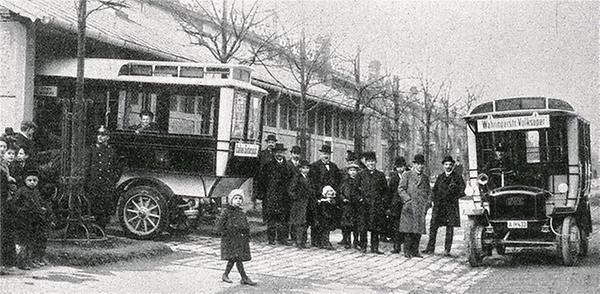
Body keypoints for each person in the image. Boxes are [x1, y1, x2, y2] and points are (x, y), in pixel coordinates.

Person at [424, 155, 465, 256]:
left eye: (450, 165)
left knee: (449, 228)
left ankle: (447, 250)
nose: (448, 166)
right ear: (443, 166)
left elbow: (462, 191)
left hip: (450, 206)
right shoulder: (440, 177)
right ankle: (430, 248)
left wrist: (455, 192)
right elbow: (435, 190)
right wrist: (432, 200)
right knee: (433, 226)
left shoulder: (457, 177)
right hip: (439, 206)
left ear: (453, 166)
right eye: (446, 164)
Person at [12, 170, 53, 270]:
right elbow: (14, 205)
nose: (32, 182)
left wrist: (42, 209)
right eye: (29, 180)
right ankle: (21, 262)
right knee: (23, 241)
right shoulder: (21, 191)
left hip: (34, 220)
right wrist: (21, 212)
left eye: (34, 180)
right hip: (23, 220)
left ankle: (29, 260)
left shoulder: (36, 192)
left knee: (31, 240)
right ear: (25, 181)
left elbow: (38, 204)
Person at [217, 189, 256, 286]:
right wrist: (226, 233)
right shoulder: (226, 212)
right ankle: (244, 277)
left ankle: (226, 274)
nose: (238, 200)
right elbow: (220, 226)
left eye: (240, 198)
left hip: (240, 239)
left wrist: (247, 235)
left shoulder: (241, 213)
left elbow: (245, 225)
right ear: (231, 200)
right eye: (235, 198)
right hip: (230, 239)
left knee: (235, 258)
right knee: (236, 258)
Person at [85, 126, 121, 230]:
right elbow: (87, 166)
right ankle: (94, 228)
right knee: (94, 206)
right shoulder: (92, 149)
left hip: (107, 184)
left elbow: (117, 167)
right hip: (95, 183)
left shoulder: (111, 151)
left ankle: (101, 229)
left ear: (108, 137)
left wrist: (113, 180)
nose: (100, 137)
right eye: (99, 134)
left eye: (103, 135)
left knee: (105, 207)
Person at [257, 143, 293, 245]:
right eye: (277, 152)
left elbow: (292, 181)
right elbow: (262, 181)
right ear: (274, 153)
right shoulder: (268, 165)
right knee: (272, 218)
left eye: (281, 152)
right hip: (271, 196)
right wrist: (262, 195)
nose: (279, 154)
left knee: (284, 218)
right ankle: (271, 239)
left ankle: (283, 239)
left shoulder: (288, 166)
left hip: (285, 196)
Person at [398, 154, 433, 258]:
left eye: (422, 164)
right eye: (418, 164)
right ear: (414, 164)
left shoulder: (425, 178)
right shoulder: (407, 175)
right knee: (408, 230)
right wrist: (407, 200)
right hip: (409, 206)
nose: (420, 166)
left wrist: (428, 203)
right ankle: (407, 251)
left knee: (418, 230)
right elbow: (401, 189)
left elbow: (429, 192)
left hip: (420, 207)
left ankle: (415, 251)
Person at [356, 151, 388, 254]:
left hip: (376, 205)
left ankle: (375, 247)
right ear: (366, 162)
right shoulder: (361, 174)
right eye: (369, 161)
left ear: (376, 162)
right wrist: (360, 198)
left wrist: (382, 201)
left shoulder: (380, 175)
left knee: (375, 227)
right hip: (364, 205)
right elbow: (355, 190)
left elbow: (385, 191)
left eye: (373, 161)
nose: (371, 163)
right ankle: (363, 246)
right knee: (363, 227)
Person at [308, 144, 341, 247]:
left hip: (330, 198)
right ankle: (315, 241)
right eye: (324, 153)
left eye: (327, 154)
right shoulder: (314, 166)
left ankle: (325, 240)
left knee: (327, 220)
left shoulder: (333, 166)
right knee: (317, 219)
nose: (326, 156)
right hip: (319, 197)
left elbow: (337, 181)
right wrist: (320, 194)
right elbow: (313, 182)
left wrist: (332, 193)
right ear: (320, 154)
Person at [287, 160, 315, 249]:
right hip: (299, 204)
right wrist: (296, 198)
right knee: (299, 223)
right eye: (303, 168)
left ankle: (303, 241)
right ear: (300, 169)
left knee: (305, 223)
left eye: (307, 168)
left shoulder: (309, 178)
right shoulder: (297, 178)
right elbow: (291, 190)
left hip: (308, 204)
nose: (305, 170)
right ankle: (298, 241)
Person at [338, 161, 361, 249]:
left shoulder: (359, 181)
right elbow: (340, 192)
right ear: (348, 171)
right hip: (347, 205)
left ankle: (356, 241)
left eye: (354, 170)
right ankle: (347, 241)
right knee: (346, 225)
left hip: (356, 205)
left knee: (356, 225)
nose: (353, 172)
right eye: (351, 170)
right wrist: (343, 198)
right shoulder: (345, 181)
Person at [387, 156, 407, 254]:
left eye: (402, 167)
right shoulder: (393, 178)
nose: (400, 169)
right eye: (398, 167)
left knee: (406, 225)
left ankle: (407, 246)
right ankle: (396, 246)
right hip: (395, 205)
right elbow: (390, 192)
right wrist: (389, 205)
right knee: (396, 226)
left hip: (405, 204)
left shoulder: (408, 176)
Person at [253, 134, 277, 208]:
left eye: (272, 143)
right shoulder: (262, 154)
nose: (271, 144)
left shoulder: (277, 154)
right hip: (264, 181)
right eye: (269, 142)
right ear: (267, 143)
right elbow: (258, 168)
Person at [286, 145, 303, 241]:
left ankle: (295, 236)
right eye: (294, 153)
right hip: (289, 194)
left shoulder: (302, 166)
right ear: (291, 154)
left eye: (298, 154)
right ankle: (289, 235)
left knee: (298, 215)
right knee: (289, 215)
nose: (296, 156)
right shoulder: (287, 164)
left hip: (299, 195)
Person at [315, 185, 338, 250]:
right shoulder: (323, 202)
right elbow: (323, 211)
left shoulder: (332, 202)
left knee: (327, 231)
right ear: (325, 194)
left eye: (331, 194)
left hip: (329, 219)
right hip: (324, 219)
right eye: (328, 194)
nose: (330, 196)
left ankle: (324, 243)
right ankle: (325, 243)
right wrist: (327, 216)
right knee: (324, 231)